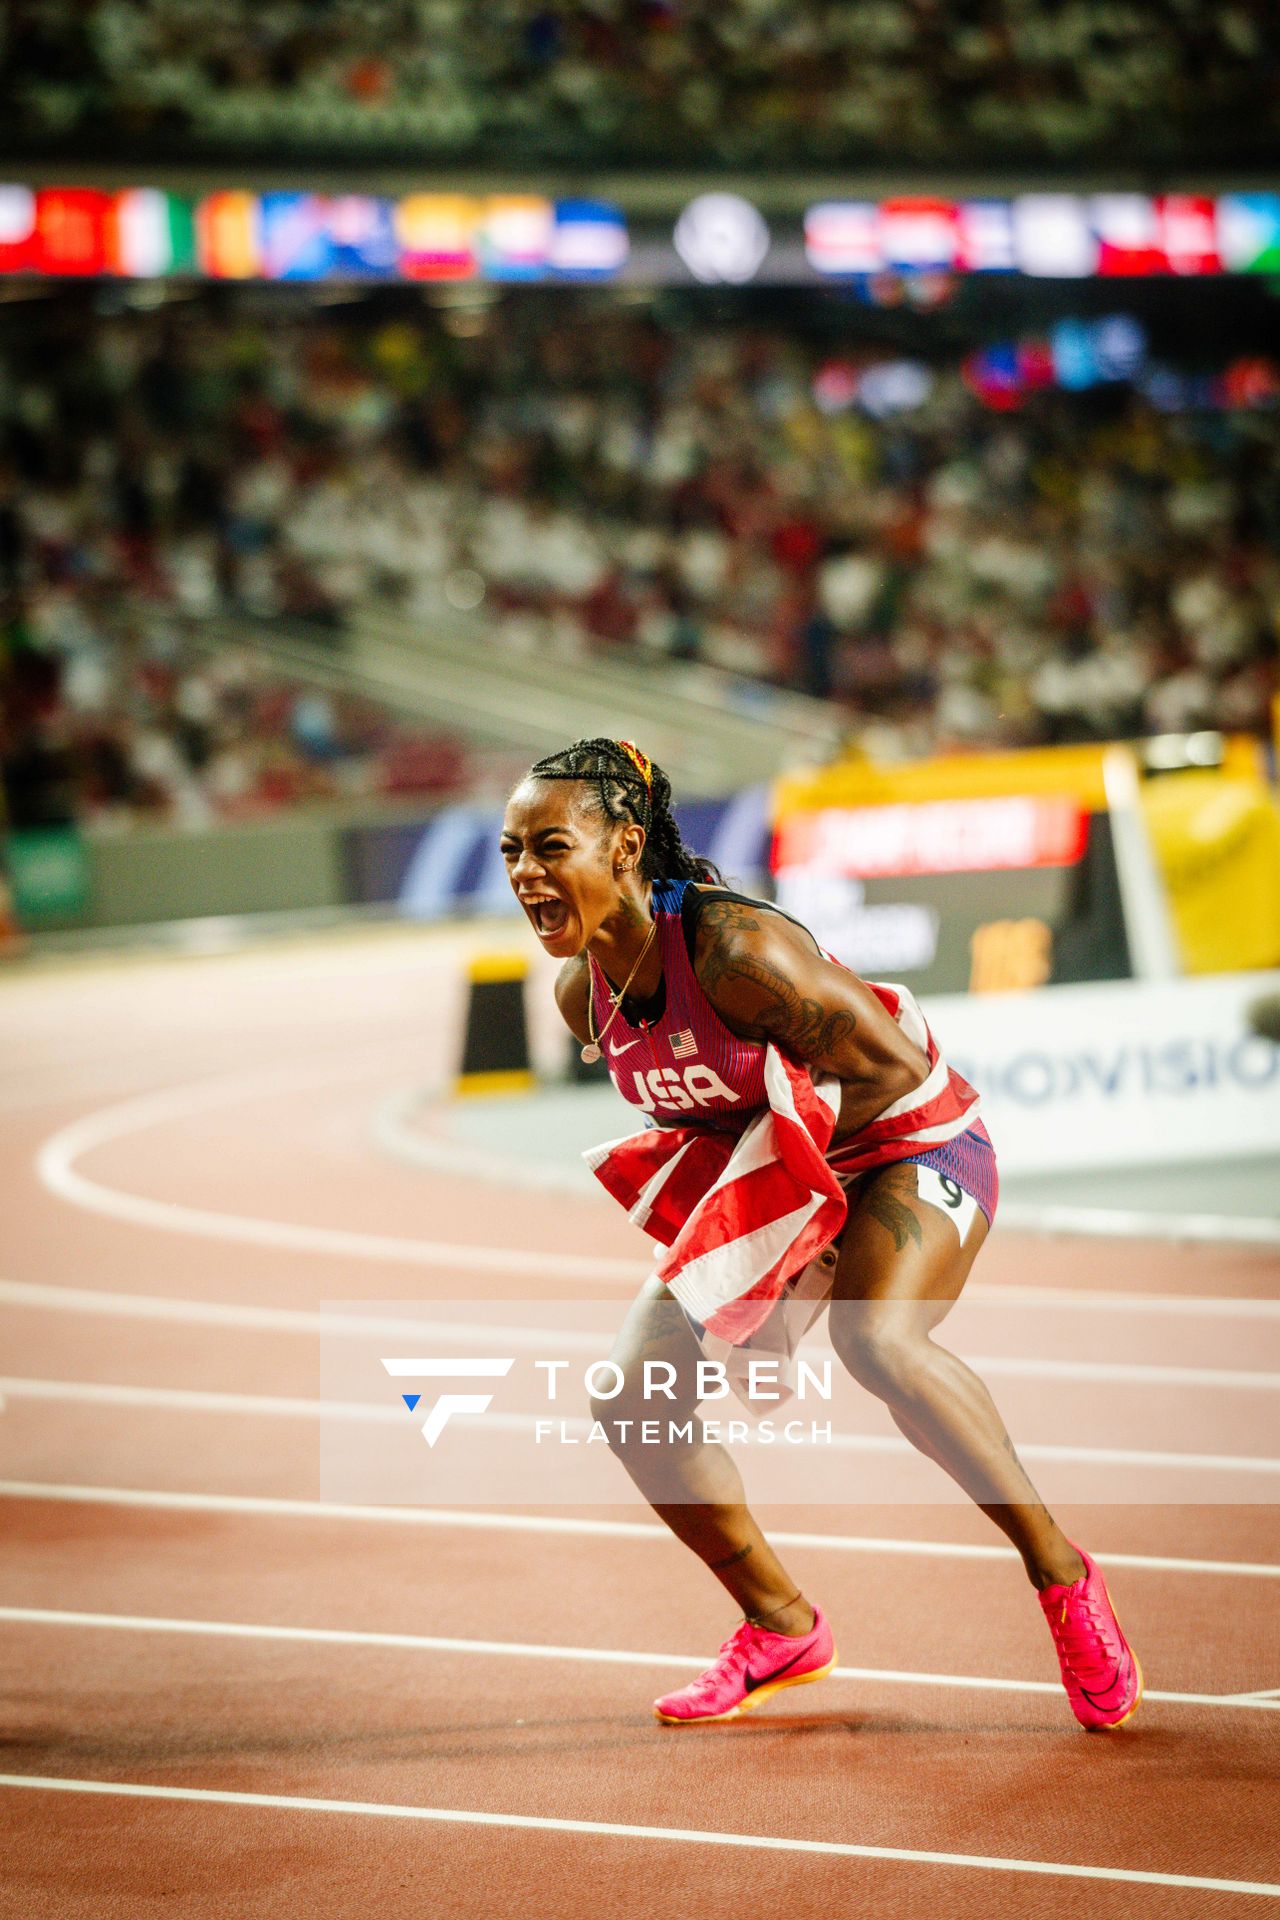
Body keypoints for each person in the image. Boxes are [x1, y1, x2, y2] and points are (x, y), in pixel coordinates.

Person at [501, 736, 1142, 1731]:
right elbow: (707, 1117)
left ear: (624, 848)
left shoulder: (736, 954)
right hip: (781, 1177)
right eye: (510, 852)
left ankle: (1060, 1576)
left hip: (906, 1141)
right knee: (628, 1399)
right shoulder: (584, 995)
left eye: (549, 846)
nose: (525, 874)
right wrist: (762, 1242)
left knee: (874, 1339)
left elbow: (894, 1073)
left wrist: (804, 1217)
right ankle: (779, 1625)